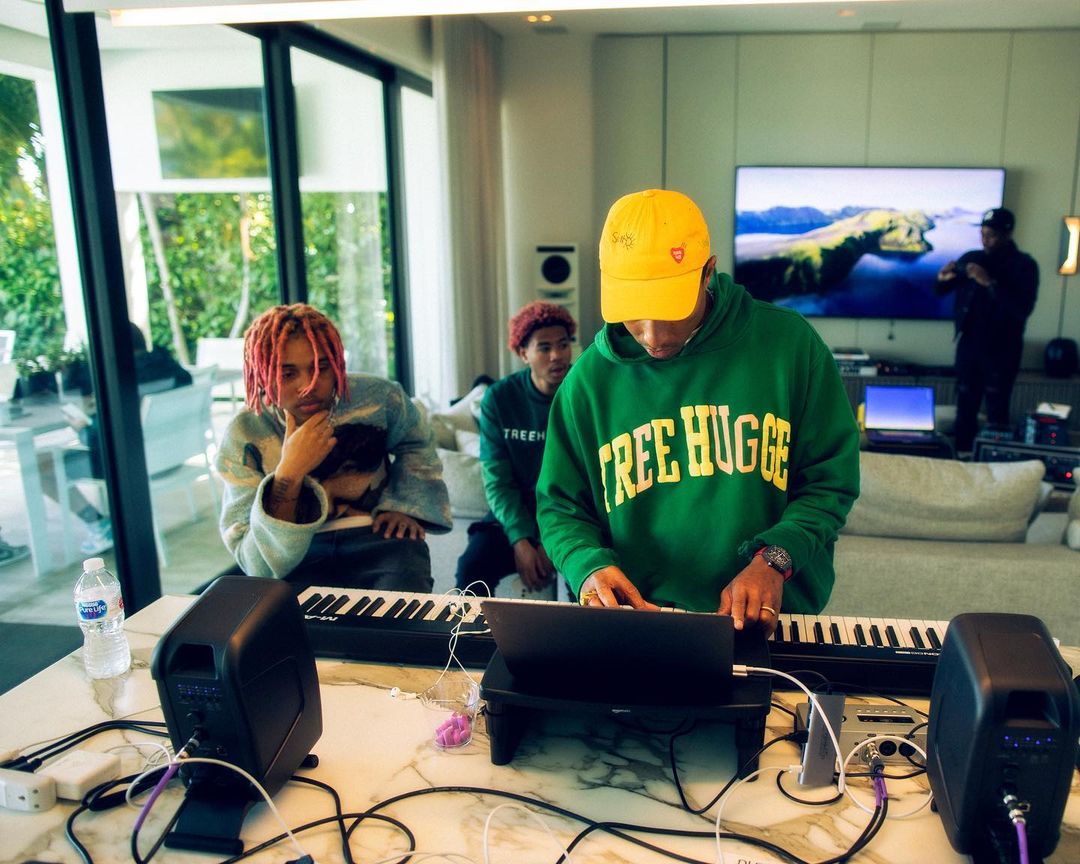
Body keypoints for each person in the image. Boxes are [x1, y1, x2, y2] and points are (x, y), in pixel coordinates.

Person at [536, 189, 860, 635]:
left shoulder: (790, 347)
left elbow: (829, 481)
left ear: (708, 272)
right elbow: (560, 507)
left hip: (770, 619)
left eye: (670, 309)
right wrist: (587, 565)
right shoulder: (587, 383)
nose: (653, 336)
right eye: (634, 312)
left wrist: (775, 558)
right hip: (641, 623)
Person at [216, 303, 451, 591]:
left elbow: (416, 442)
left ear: (338, 363)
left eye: (321, 368)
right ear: (261, 374)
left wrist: (405, 506)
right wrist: (290, 472)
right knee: (293, 617)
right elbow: (257, 564)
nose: (308, 385)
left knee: (403, 612)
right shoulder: (244, 433)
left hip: (377, 536)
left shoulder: (380, 397)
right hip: (296, 556)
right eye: (287, 374)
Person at [454, 301, 576, 598]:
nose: (557, 355)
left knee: (588, 579)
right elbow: (497, 481)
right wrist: (521, 540)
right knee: (471, 567)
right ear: (523, 354)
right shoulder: (500, 398)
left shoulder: (583, 390)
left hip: (573, 515)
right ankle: (474, 631)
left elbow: (587, 479)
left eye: (563, 344)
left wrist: (550, 540)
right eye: (544, 348)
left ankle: (588, 631)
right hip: (514, 514)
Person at [39, 321, 192, 555]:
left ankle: (98, 523)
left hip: (135, 465)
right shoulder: (169, 367)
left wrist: (82, 427)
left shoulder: (123, 380)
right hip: (175, 456)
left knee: (42, 466)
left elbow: (101, 441)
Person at [934, 207, 1038, 453]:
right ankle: (962, 457)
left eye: (991, 235)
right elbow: (940, 290)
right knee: (965, 405)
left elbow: (1021, 309)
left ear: (1007, 234)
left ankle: (995, 460)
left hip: (1003, 351)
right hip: (969, 345)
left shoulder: (1024, 265)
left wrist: (989, 283)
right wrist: (942, 278)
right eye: (982, 234)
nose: (985, 240)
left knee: (997, 409)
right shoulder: (973, 257)